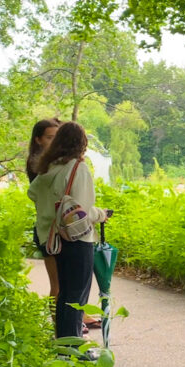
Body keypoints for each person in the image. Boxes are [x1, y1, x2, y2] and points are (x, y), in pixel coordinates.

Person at [28, 122, 109, 338]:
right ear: (82, 144)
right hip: (76, 240)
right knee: (76, 295)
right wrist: (102, 214)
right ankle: (72, 345)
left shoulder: (48, 167)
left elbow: (32, 193)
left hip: (52, 238)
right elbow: (81, 212)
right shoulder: (77, 168)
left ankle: (64, 344)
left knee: (64, 293)